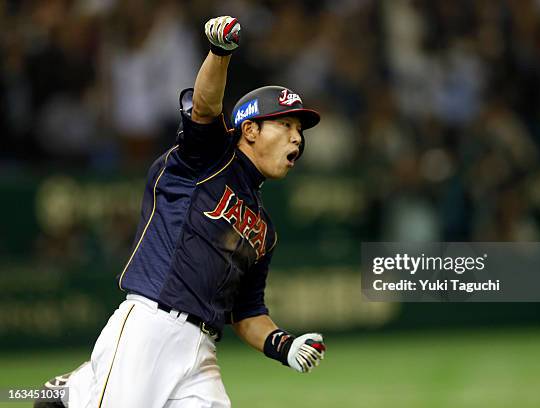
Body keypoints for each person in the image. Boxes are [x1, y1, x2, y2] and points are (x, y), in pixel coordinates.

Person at [35, 15, 326, 408]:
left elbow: (247, 310)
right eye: (286, 123)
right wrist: (220, 53)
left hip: (202, 350)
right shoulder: (207, 158)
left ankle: (81, 389)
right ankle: (79, 391)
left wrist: (283, 345)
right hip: (150, 329)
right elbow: (205, 107)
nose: (297, 137)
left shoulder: (264, 229)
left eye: (300, 130)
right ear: (250, 130)